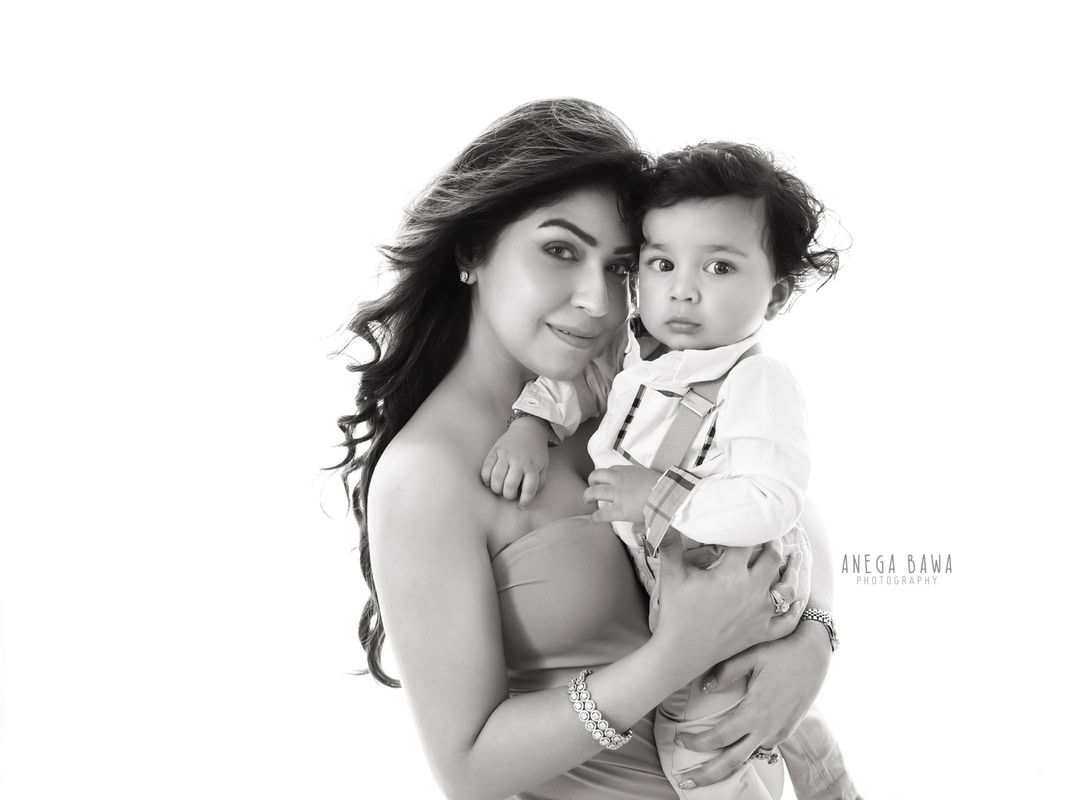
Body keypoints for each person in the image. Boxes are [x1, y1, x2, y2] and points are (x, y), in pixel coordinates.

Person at [333, 98, 855, 800]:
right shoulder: (428, 475)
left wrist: (811, 638)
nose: (598, 302)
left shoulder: (616, 378)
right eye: (559, 250)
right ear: (470, 251)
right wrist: (675, 657)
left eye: (621, 267)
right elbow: (469, 770)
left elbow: (777, 493)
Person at [480, 142, 853, 799]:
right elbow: (577, 386)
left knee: (696, 749)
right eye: (661, 262)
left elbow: (774, 500)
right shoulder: (639, 359)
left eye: (719, 266)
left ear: (781, 289)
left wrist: (660, 496)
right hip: (687, 587)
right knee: (748, 710)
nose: (682, 288)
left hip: (741, 578)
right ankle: (812, 751)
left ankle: (815, 769)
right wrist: (530, 425)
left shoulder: (755, 381)